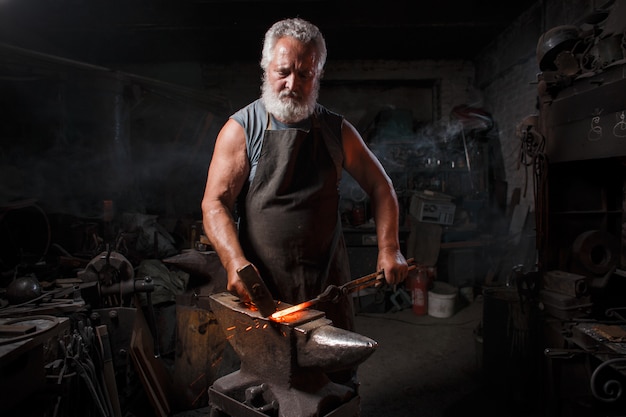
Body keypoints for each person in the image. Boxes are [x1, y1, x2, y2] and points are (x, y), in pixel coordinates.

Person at [201, 17, 408, 334]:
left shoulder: (337, 131)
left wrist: (389, 248)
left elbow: (381, 187)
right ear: (266, 65)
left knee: (336, 376)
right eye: (283, 72)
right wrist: (234, 262)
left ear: (318, 75)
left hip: (327, 283)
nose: (292, 84)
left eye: (304, 75)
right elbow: (215, 203)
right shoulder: (241, 130)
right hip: (261, 288)